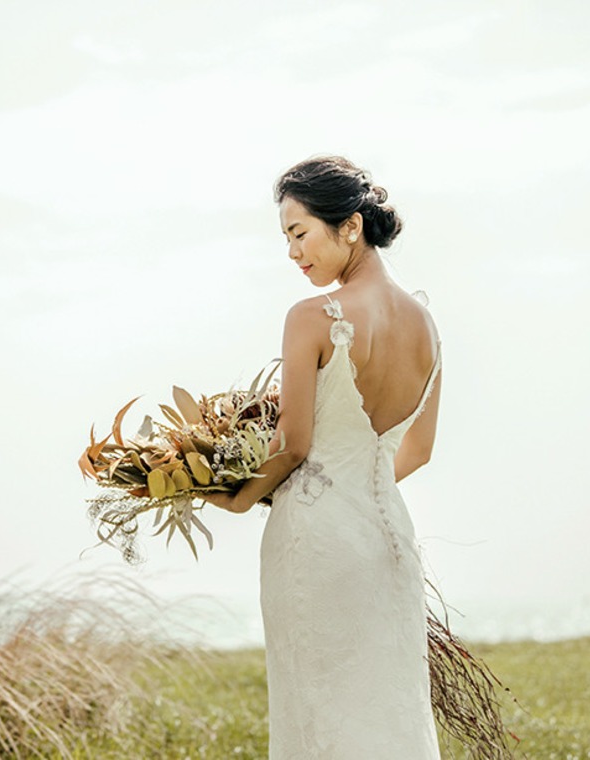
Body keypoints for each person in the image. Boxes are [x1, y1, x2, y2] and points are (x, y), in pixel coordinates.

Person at [202, 155, 443, 757]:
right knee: (385, 708)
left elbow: (293, 444)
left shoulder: (313, 317)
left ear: (351, 226)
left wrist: (238, 496)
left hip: (318, 545)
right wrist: (358, 490)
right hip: (389, 540)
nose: (292, 252)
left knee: (318, 712)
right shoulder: (427, 325)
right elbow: (420, 450)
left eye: (299, 232)